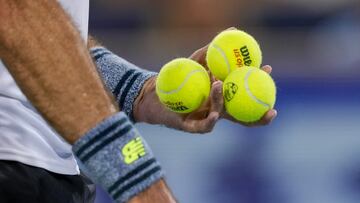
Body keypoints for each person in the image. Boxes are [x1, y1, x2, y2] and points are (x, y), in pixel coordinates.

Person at [0, 0, 277, 203]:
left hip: (43, 175)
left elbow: (49, 41)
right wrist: (139, 182)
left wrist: (139, 91)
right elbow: (18, 15)